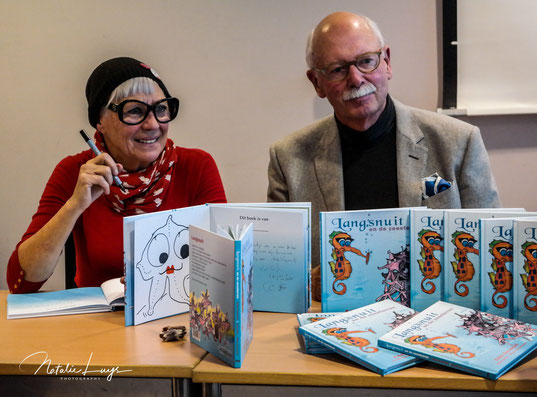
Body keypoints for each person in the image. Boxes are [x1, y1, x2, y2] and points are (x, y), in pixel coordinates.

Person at [267, 12, 501, 298]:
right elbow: (277, 275)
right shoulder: (288, 158)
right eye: (338, 69)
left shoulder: (458, 142)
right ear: (316, 82)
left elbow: (492, 249)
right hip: (333, 324)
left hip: (437, 316)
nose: (356, 79)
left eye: (366, 61)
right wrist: (307, 282)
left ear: (387, 62)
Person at [7, 57, 227, 293]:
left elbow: (224, 267)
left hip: (176, 317)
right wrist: (74, 206)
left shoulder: (196, 166)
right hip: (98, 322)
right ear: (100, 121)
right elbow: (21, 282)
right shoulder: (75, 172)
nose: (153, 124)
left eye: (161, 108)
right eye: (134, 111)